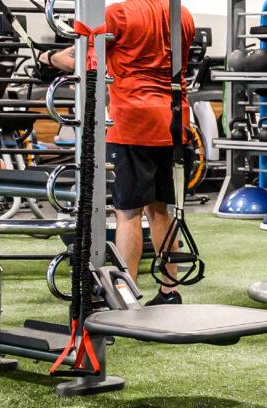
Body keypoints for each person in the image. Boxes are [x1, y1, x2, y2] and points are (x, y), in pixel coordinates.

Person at [41, 0, 195, 305]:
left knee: (128, 214)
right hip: (175, 120)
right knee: (160, 210)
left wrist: (50, 58)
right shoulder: (183, 13)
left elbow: (89, 64)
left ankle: (127, 295)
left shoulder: (117, 13)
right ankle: (169, 292)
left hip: (133, 122)